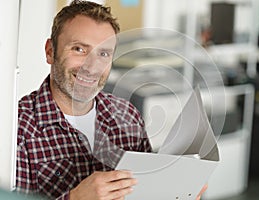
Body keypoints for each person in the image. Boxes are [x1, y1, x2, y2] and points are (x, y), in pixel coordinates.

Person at [16, 1, 207, 199]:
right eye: (79, 49)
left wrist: (179, 193)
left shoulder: (128, 114)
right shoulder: (17, 127)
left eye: (104, 53)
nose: (91, 67)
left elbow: (146, 193)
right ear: (50, 51)